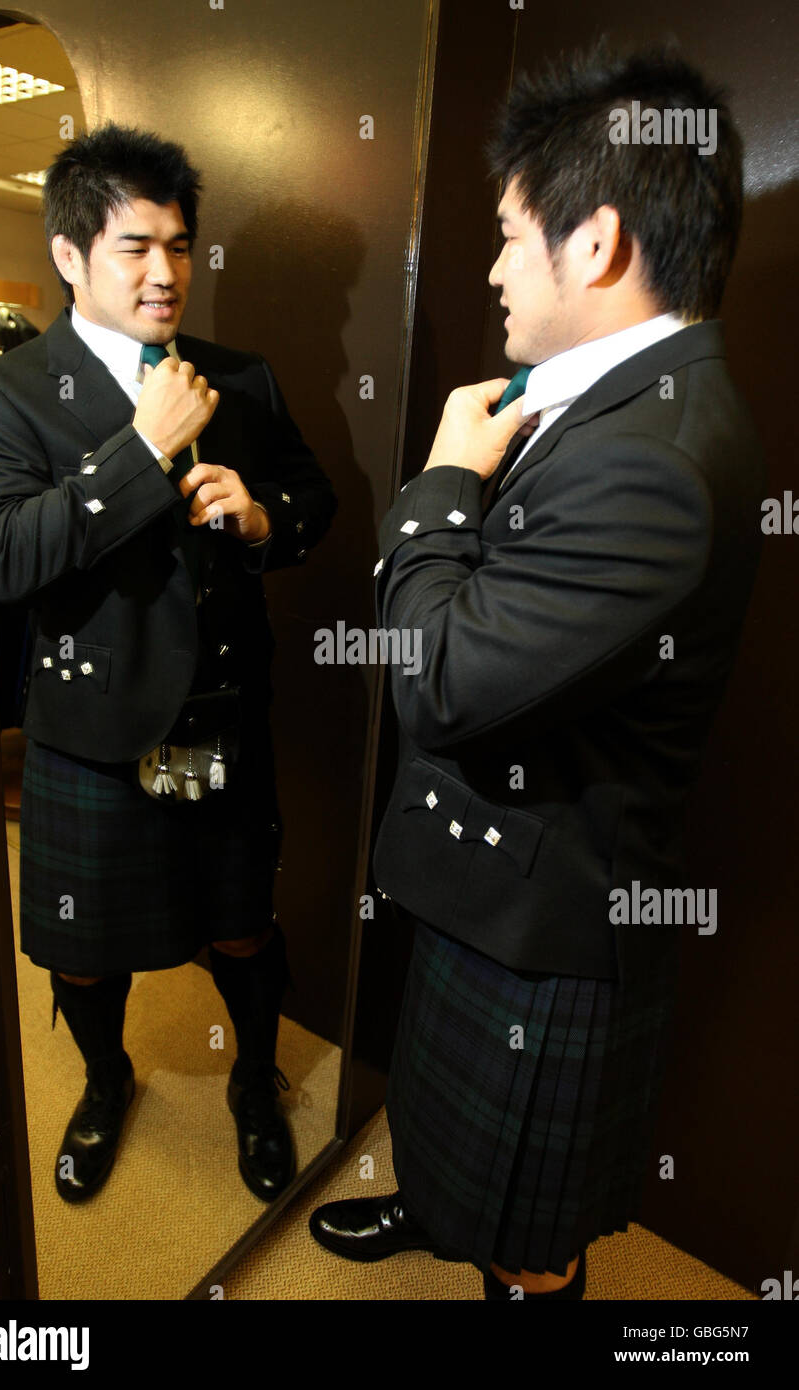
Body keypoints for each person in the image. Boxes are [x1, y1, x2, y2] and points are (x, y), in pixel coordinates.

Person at [309, 42, 765, 1299]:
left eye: (513, 235)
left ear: (600, 240)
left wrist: (442, 481)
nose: (495, 266)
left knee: (526, 1230)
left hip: (544, 928)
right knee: (458, 1157)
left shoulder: (655, 459)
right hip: (490, 882)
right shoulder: (615, 398)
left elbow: (438, 677)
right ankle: (436, 1200)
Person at [0, 124, 336, 1205]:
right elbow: (6, 557)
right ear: (69, 255)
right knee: (82, 953)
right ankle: (105, 1079)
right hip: (89, 732)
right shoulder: (13, 392)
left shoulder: (242, 375)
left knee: (241, 925)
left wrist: (265, 518)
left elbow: (317, 508)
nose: (165, 273)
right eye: (135, 247)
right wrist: (138, 449)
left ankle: (251, 1089)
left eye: (179, 246)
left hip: (221, 712)